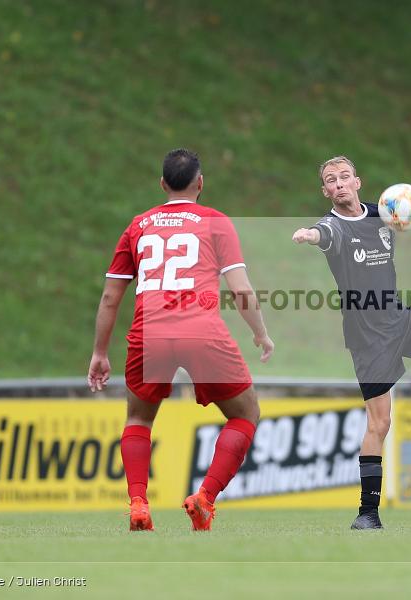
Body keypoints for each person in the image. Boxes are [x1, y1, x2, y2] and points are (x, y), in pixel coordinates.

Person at [292, 155, 411, 530]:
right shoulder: (332, 226)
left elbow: (403, 216)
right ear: (325, 191)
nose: (338, 184)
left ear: (357, 182)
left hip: (400, 318)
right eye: (331, 180)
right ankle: (368, 513)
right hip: (368, 338)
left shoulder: (381, 211)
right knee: (379, 425)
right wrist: (309, 234)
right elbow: (324, 235)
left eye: (344, 177)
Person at [88, 148, 274, 532]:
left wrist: (99, 352)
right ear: (201, 183)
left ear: (162, 184)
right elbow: (240, 290)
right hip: (201, 331)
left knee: (139, 418)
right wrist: (260, 333)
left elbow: (110, 297)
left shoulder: (138, 226)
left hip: (149, 331)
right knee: (245, 414)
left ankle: (139, 503)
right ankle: (204, 498)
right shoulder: (215, 222)